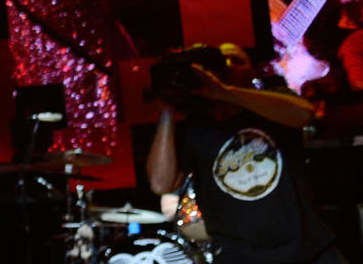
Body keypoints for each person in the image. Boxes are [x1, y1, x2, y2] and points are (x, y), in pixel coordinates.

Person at [146, 43, 347, 264]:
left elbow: (304, 115)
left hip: (307, 250)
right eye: (223, 62)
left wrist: (226, 93)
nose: (230, 66)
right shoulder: (195, 127)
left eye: (237, 61)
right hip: (241, 256)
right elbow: (160, 184)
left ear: (253, 71)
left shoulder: (275, 101)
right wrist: (166, 110)